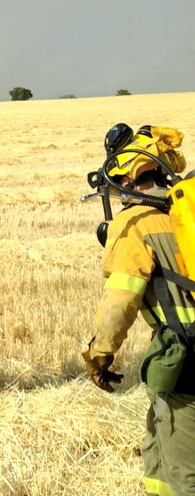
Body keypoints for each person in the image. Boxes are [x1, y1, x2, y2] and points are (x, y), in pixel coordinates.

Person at [82, 124, 195, 494]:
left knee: (183, 472)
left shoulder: (134, 223)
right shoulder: (186, 210)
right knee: (157, 450)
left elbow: (121, 302)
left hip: (186, 360)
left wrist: (99, 355)